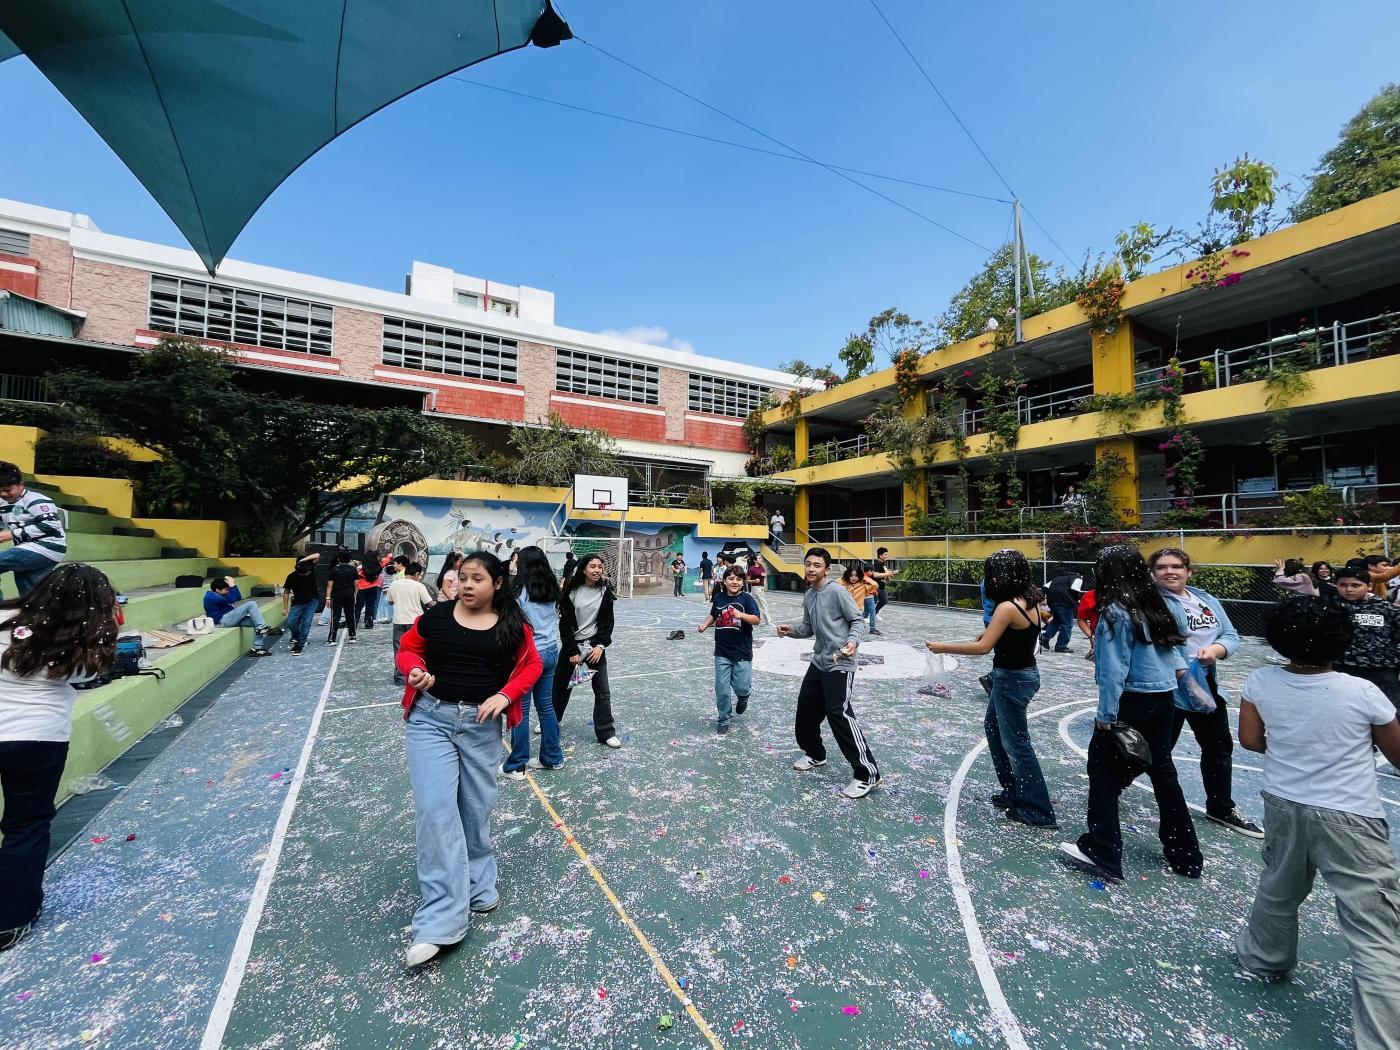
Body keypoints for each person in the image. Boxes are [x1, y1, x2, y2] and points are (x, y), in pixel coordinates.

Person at [1235, 597, 1400, 1049]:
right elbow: (1397, 755)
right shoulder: (1362, 691)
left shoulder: (1260, 680)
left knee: (1279, 887)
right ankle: (1383, 1037)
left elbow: (1250, 740)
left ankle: (1264, 957)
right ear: (1342, 639)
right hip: (1351, 813)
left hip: (1283, 802)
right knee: (1373, 924)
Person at [394, 551, 542, 968]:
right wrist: (414, 669)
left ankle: (479, 880)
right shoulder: (436, 617)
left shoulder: (513, 626)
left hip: (480, 727)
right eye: (463, 578)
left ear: (497, 583)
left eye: (477, 578)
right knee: (435, 809)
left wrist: (505, 695)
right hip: (430, 720)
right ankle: (440, 919)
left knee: (475, 809)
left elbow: (531, 666)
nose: (467, 585)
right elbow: (408, 649)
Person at [1060, 546, 1202, 883]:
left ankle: (1103, 850)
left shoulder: (1116, 612)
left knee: (1103, 773)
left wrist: (1106, 716)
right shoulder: (1164, 603)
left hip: (1130, 700)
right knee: (1163, 773)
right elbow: (1176, 651)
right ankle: (1186, 854)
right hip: (1163, 699)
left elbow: (1114, 670)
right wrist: (1188, 684)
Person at [0, 564, 118, 950]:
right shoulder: (83, 638)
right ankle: (11, 918)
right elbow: (88, 675)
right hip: (38, 738)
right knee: (26, 824)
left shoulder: (5, 618)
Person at [928, 550, 1055, 827]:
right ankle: (1015, 792)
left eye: (994, 575)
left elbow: (983, 648)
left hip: (1013, 679)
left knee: (1017, 744)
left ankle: (1037, 810)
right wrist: (991, 632)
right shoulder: (1029, 600)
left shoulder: (1007, 607)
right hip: (1016, 676)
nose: (992, 580)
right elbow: (1015, 634)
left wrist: (942, 647)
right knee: (995, 731)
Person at [1151, 547, 1262, 838]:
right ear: (1153, 573)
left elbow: (1230, 635)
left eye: (1176, 566)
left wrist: (1216, 649)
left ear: (1189, 571)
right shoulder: (1151, 602)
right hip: (1168, 686)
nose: (1169, 571)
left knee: (1218, 746)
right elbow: (1158, 642)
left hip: (1205, 683)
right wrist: (1182, 669)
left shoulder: (1206, 600)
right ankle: (1110, 788)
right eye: (1161, 567)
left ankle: (1220, 807)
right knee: (1157, 750)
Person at [776, 548, 879, 799]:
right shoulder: (810, 594)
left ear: (827, 569)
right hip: (820, 660)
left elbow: (858, 621)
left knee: (838, 712)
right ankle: (815, 754)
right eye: (808, 564)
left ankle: (867, 773)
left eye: (817, 565)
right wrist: (791, 630)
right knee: (806, 708)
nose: (811, 569)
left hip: (841, 661)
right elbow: (808, 628)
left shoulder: (837, 591)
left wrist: (853, 641)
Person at [502, 547, 564, 778]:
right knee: (546, 707)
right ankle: (553, 758)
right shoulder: (550, 588)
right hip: (550, 650)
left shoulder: (519, 592)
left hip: (529, 654)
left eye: (517, 561)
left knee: (521, 709)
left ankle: (517, 764)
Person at [554, 554, 622, 749]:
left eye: (600, 566)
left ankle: (606, 732)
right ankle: (551, 721)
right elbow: (565, 625)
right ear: (583, 569)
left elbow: (608, 622)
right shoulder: (571, 591)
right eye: (593, 566)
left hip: (594, 647)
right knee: (560, 687)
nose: (597, 570)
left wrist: (600, 645)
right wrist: (571, 651)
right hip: (573, 646)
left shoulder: (605, 591)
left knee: (602, 691)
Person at [698, 566, 760, 732]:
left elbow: (756, 619)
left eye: (738, 579)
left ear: (743, 582)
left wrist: (741, 615)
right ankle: (724, 719)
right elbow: (714, 614)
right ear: (724, 581)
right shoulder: (719, 598)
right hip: (722, 651)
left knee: (742, 687)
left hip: (742, 651)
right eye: (731, 578)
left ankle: (743, 697)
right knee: (722, 689)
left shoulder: (747, 599)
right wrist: (705, 625)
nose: (734, 582)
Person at [1331, 565, 1400, 712]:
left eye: (1355, 585)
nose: (1349, 589)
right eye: (1343, 585)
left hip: (1382, 669)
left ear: (1368, 586)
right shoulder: (1330, 608)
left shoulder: (1385, 608)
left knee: (1388, 711)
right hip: (1342, 668)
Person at [0, 462, 66, 601]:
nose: (3, 494)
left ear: (21, 484)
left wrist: (12, 534)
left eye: (7, 489)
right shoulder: (2, 503)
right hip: (29, 549)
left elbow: (51, 524)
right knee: (31, 594)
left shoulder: (35, 500)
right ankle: (42, 611)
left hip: (46, 547)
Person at [387, 563, 437, 686]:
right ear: (416, 574)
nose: (419, 577)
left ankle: (400, 677)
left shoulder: (394, 584)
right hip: (415, 621)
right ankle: (419, 674)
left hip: (399, 621)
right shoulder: (418, 585)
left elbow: (390, 601)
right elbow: (430, 603)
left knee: (399, 650)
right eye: (419, 575)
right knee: (418, 649)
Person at [205, 576, 276, 657]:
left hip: (229, 618)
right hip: (222, 620)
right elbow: (235, 598)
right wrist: (232, 585)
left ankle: (257, 649)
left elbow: (237, 597)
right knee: (251, 604)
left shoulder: (219, 594)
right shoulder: (210, 596)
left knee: (256, 622)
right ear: (217, 589)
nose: (228, 591)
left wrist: (231, 586)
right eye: (226, 589)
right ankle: (261, 628)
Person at [280, 553, 321, 655]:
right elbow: (286, 593)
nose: (308, 573)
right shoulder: (291, 577)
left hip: (312, 601)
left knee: (306, 623)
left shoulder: (310, 568)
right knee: (291, 622)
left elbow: (317, 555)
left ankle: (300, 645)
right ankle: (299, 638)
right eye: (305, 573)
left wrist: (303, 561)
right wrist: (285, 608)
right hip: (298, 602)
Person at [1039, 571, 1085, 653]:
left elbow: (1045, 588)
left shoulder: (1057, 578)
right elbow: (1075, 589)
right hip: (1064, 602)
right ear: (1080, 575)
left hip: (1052, 601)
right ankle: (1061, 646)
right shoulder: (1077, 578)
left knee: (1056, 621)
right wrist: (1076, 599)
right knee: (1067, 624)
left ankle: (1044, 638)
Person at [325, 552, 359, 645]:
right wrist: (355, 596)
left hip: (337, 594)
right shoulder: (353, 569)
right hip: (349, 594)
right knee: (350, 615)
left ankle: (332, 638)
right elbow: (356, 584)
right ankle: (352, 636)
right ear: (349, 560)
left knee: (336, 616)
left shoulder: (334, 569)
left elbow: (329, 585)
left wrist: (328, 598)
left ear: (339, 560)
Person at [840, 561, 876, 637]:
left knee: (853, 635)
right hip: (843, 613)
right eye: (851, 575)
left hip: (856, 613)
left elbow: (874, 584)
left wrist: (863, 577)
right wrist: (843, 579)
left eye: (856, 575)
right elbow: (835, 583)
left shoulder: (863, 585)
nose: (853, 578)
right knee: (843, 635)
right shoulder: (842, 584)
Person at [355, 552, 383, 630]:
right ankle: (369, 623)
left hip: (362, 588)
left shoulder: (360, 568)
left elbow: (356, 577)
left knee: (358, 606)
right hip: (373, 588)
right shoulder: (377, 567)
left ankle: (355, 622)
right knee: (370, 606)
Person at [869, 547, 897, 614]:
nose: (887, 556)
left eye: (887, 554)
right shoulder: (877, 563)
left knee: (884, 600)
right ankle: (867, 615)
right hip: (876, 586)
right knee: (873, 602)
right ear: (880, 555)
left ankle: (875, 613)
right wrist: (887, 574)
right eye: (885, 554)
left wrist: (891, 573)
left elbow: (884, 574)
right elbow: (875, 575)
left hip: (881, 586)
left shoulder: (883, 563)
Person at [745, 555, 770, 624]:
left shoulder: (761, 567)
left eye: (760, 558)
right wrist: (754, 581)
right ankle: (768, 620)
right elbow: (746, 580)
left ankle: (752, 617)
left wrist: (764, 574)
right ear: (755, 560)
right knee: (763, 604)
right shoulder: (751, 569)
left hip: (761, 588)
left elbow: (764, 574)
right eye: (759, 558)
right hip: (756, 588)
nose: (760, 559)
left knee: (759, 604)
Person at [1075, 586, 1097, 660]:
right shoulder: (1091, 595)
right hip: (1100, 647)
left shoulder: (1127, 595)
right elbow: (1081, 619)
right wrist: (1092, 636)